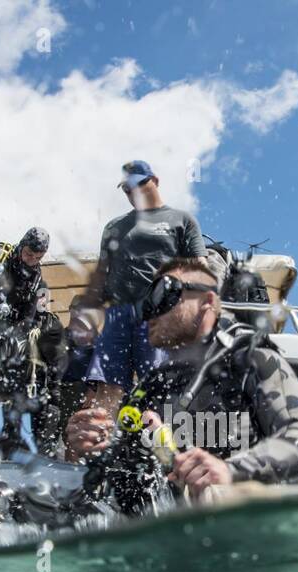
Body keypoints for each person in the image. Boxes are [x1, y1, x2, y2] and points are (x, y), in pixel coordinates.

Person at [66, 258, 298, 508]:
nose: (150, 312)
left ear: (207, 301)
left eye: (163, 293)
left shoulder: (253, 362)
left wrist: (229, 470)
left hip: (252, 522)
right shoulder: (151, 387)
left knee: (215, 496)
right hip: (181, 533)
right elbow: (130, 477)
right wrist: (95, 448)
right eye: (145, 304)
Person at [72, 161, 206, 451]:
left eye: (138, 184)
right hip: (118, 314)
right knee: (105, 385)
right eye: (127, 188)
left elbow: (200, 269)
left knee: (158, 387)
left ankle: (166, 458)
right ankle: (96, 458)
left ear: (154, 180)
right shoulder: (114, 226)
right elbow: (101, 274)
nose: (132, 192)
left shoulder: (181, 220)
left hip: (159, 315)